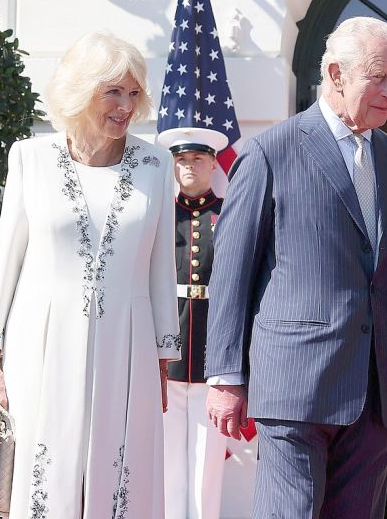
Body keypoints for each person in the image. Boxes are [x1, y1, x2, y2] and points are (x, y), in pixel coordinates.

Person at [203, 17, 387, 519]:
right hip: (293, 388)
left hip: (374, 391)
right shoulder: (268, 152)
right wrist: (226, 377)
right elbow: (232, 273)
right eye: (379, 77)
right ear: (337, 74)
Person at [0, 31, 179, 518]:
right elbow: (7, 258)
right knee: (47, 477)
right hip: (40, 345)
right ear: (80, 92)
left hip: (129, 346)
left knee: (122, 477)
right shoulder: (30, 157)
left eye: (134, 93)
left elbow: (160, 266)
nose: (126, 105)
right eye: (113, 92)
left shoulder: (156, 162)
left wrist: (164, 357)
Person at [157, 127, 229, 519]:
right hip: (168, 355)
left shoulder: (229, 212)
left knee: (207, 468)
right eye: (182, 160)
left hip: (212, 355)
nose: (189, 167)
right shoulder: (160, 213)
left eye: (197, 159)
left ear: (214, 163)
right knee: (167, 464)